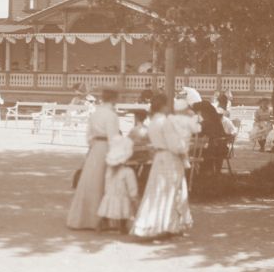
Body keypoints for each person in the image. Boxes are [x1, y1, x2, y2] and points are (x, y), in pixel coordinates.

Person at [131, 94, 194, 239]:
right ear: (164, 106)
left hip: (159, 157)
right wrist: (184, 146)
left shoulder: (153, 122)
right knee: (171, 191)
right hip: (170, 158)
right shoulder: (166, 122)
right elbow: (175, 144)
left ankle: (159, 225)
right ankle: (166, 226)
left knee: (158, 192)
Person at [67, 88, 121, 230]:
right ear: (114, 99)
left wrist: (94, 146)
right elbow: (113, 137)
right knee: (104, 182)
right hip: (106, 148)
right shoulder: (112, 115)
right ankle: (102, 220)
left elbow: (88, 136)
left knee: (91, 182)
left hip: (95, 148)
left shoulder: (96, 113)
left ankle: (85, 219)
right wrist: (118, 154)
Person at [97, 136, 139, 234]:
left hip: (109, 195)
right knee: (124, 210)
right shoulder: (128, 172)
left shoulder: (109, 171)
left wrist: (106, 192)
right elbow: (132, 187)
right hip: (122, 196)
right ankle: (123, 226)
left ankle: (101, 224)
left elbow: (106, 183)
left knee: (106, 210)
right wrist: (133, 195)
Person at [192, 100, 228, 175]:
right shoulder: (216, 120)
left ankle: (196, 173)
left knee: (190, 150)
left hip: (214, 150)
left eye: (200, 112)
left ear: (204, 112)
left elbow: (196, 133)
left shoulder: (207, 122)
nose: (200, 115)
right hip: (221, 148)